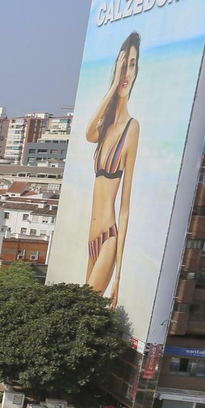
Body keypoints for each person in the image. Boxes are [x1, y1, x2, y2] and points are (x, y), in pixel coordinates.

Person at [84, 31, 142, 307]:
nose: (127, 72)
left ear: (137, 71)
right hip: (91, 238)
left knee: (85, 307)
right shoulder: (105, 128)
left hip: (108, 237)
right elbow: (88, 133)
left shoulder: (132, 128)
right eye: (123, 64)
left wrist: (119, 274)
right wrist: (113, 86)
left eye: (132, 65)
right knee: (79, 309)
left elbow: (125, 208)